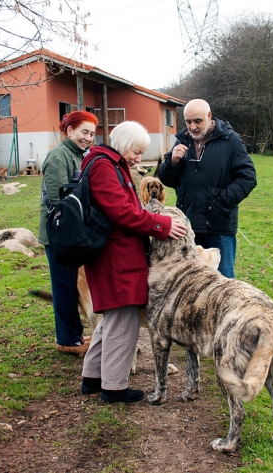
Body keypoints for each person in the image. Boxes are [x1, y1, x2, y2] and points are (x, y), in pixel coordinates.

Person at [79, 121, 186, 403]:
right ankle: (114, 387)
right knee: (123, 321)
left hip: (117, 253)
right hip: (116, 257)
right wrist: (160, 225)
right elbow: (122, 213)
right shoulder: (104, 166)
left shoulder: (110, 163)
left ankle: (92, 377)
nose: (139, 158)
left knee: (110, 321)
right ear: (124, 144)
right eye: (137, 152)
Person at [157, 99, 257, 279]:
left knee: (223, 282)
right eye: (188, 122)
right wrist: (172, 162)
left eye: (197, 121)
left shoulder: (230, 140)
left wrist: (220, 200)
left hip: (219, 226)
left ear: (209, 116)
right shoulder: (182, 140)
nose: (192, 127)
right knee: (192, 282)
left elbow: (248, 177)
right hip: (189, 227)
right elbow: (166, 179)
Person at [39, 111, 98, 355]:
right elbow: (57, 199)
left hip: (73, 234)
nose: (88, 138)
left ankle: (74, 334)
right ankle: (66, 340)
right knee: (64, 287)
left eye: (92, 134)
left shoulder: (80, 155)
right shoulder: (58, 156)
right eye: (84, 132)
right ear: (69, 130)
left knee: (74, 286)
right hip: (59, 234)